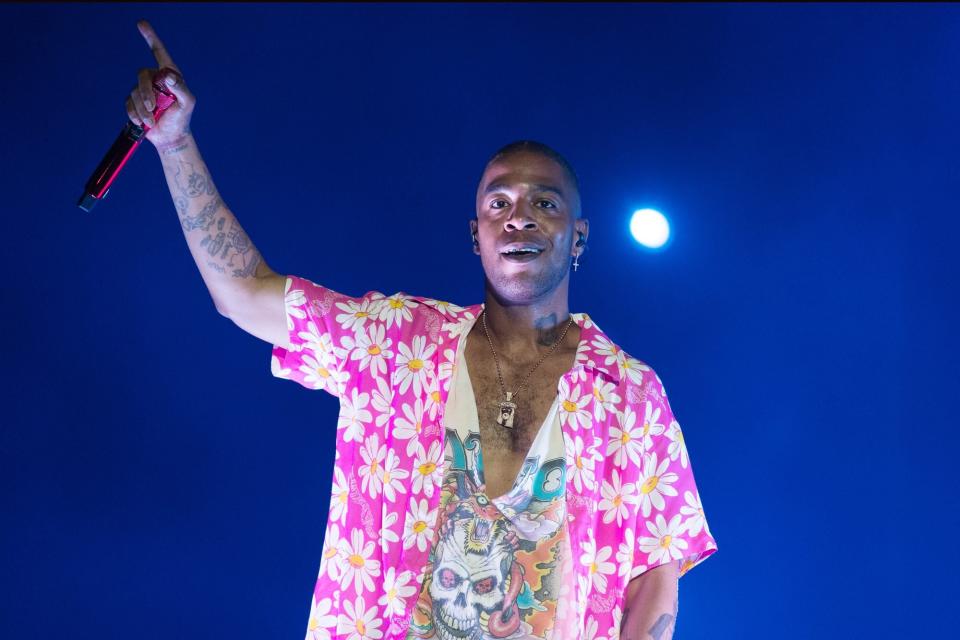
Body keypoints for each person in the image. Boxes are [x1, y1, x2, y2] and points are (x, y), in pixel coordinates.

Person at [128, 20, 717, 640]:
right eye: (499, 203)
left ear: (579, 237)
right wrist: (174, 144)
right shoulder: (396, 342)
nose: (519, 218)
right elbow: (241, 292)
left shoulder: (630, 395)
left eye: (544, 203)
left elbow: (653, 591)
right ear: (475, 235)